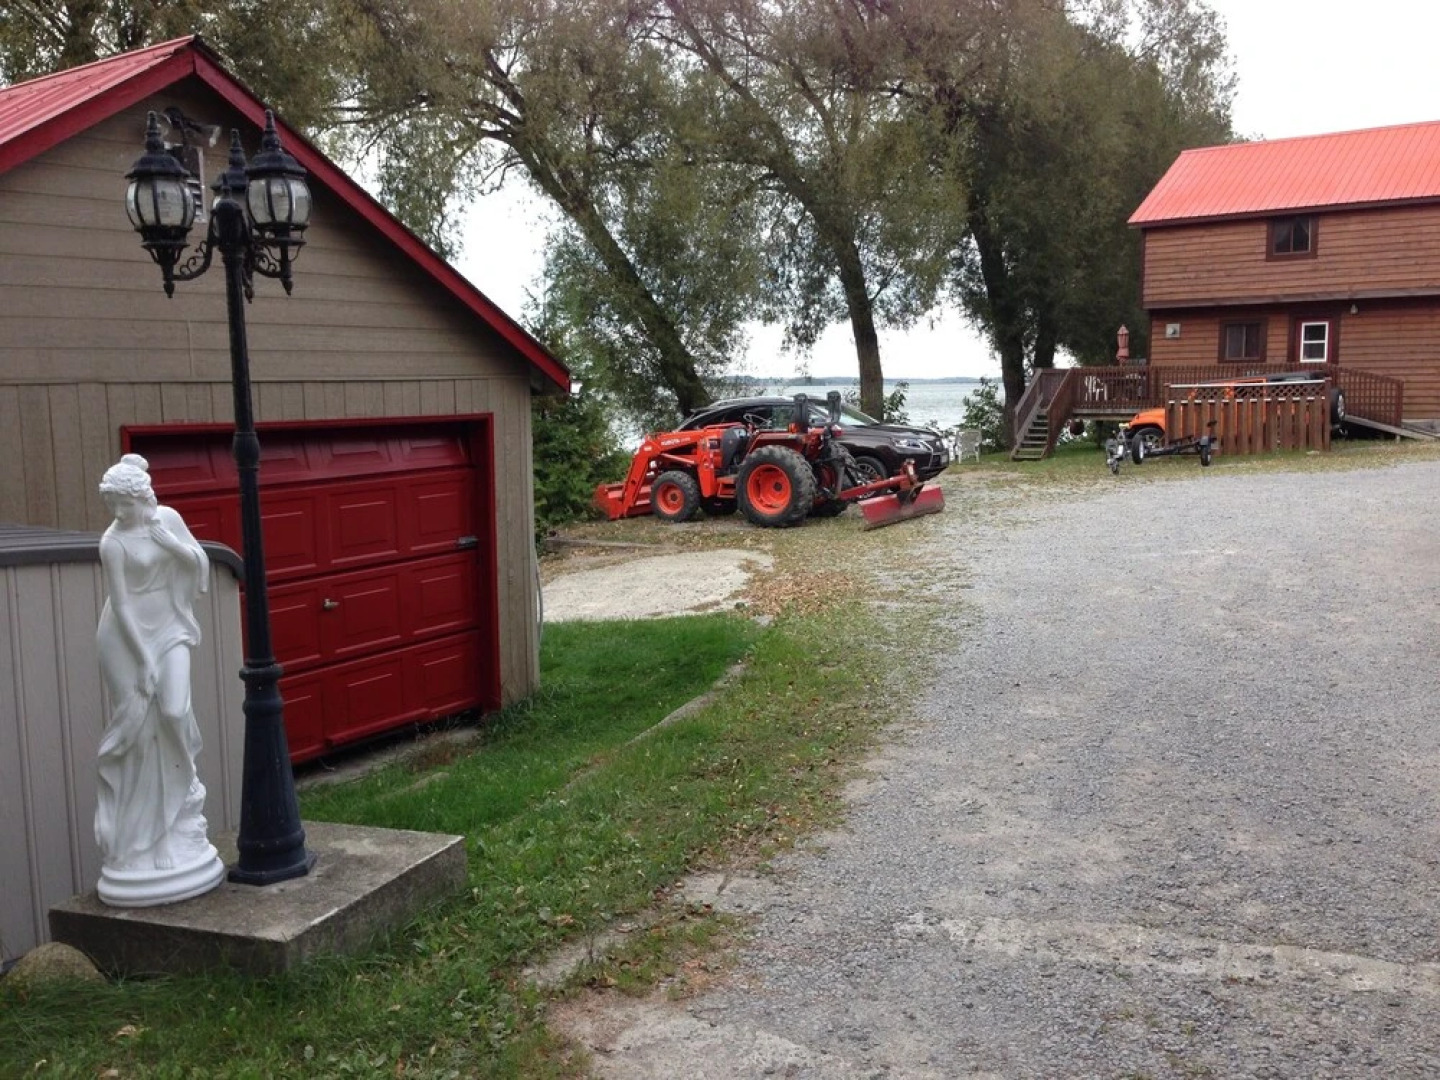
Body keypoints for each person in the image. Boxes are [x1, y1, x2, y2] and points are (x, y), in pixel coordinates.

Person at [94, 454, 221, 899]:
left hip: (170, 625)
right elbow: (121, 604)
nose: (117, 512)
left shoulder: (167, 518)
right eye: (112, 504)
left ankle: (183, 796)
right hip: (126, 638)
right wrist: (144, 658)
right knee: (140, 733)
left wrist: (170, 544)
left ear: (141, 496)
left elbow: (198, 564)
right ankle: (151, 836)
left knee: (173, 711)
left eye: (123, 504)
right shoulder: (112, 542)